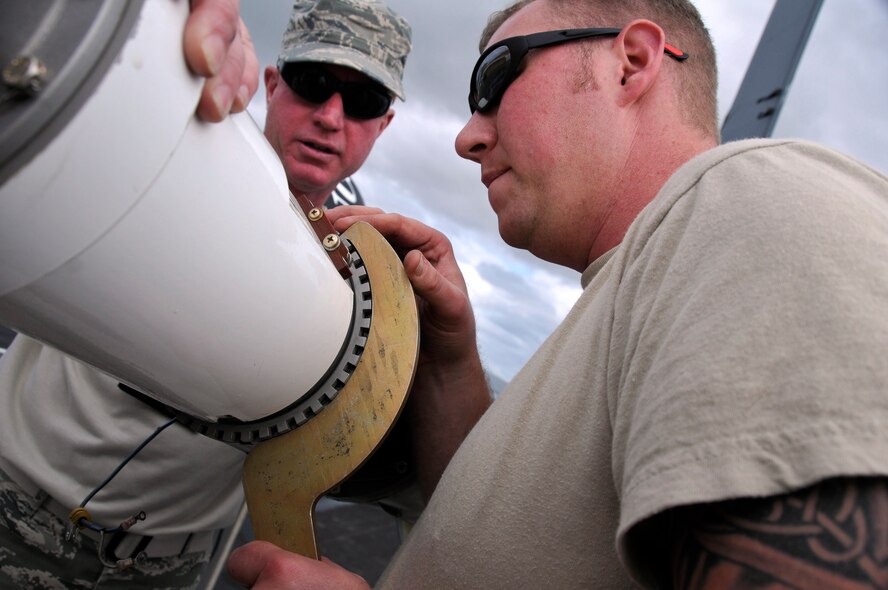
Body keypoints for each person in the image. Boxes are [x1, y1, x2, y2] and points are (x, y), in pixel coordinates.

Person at [227, 0, 888, 588]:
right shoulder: (630, 295)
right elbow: (480, 530)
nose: (467, 136)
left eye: (493, 81)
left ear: (631, 63)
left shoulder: (759, 198)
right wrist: (450, 360)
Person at [0, 0, 410, 588]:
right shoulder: (170, 116)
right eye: (312, 83)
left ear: (384, 125)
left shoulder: (367, 283)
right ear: (272, 82)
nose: (330, 116)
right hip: (13, 504)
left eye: (365, 101)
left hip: (160, 569)